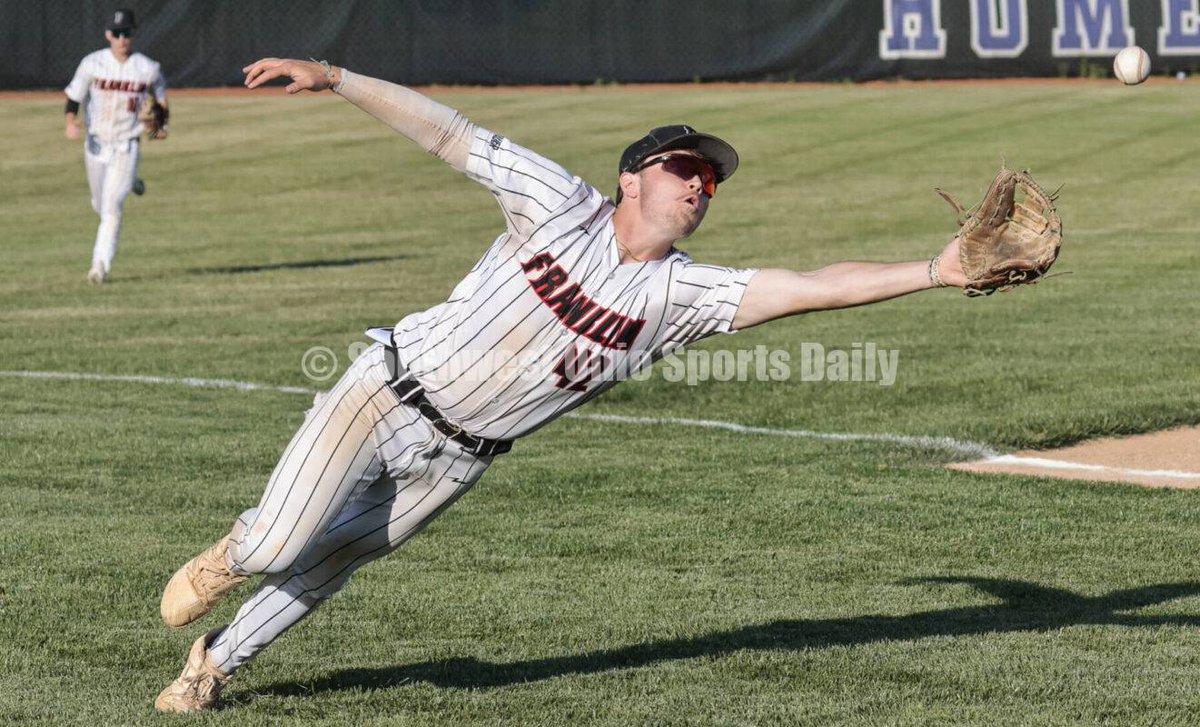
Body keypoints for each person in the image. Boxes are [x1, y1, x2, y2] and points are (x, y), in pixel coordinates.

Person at [153, 57, 969, 713]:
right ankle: (235, 551)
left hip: (460, 461)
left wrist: (938, 270)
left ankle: (212, 666)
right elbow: (451, 135)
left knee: (330, 564)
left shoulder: (683, 297)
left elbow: (815, 284)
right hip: (385, 393)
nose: (698, 185)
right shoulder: (557, 204)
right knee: (278, 546)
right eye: (685, 167)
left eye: (710, 181)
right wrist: (335, 79)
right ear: (632, 177)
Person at [64, 8, 168, 284]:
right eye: (117, 33)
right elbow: (74, 96)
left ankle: (100, 265)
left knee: (111, 208)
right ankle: (131, 181)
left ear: (134, 35)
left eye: (127, 33)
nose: (122, 39)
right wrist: (70, 122)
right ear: (108, 34)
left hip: (126, 144)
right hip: (96, 144)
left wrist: (160, 126)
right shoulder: (92, 63)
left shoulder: (147, 68)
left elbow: (161, 101)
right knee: (99, 205)